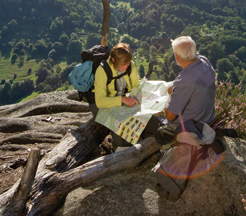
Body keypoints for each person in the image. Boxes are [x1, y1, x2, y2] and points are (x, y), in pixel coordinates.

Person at [154, 36, 220, 201]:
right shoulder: (205, 62)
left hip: (192, 124)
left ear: (176, 57)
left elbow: (170, 115)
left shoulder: (185, 81)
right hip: (208, 116)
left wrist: (171, 94)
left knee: (154, 127)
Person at [90, 43, 149, 151]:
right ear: (113, 60)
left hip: (120, 98)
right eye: (124, 65)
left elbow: (136, 83)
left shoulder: (129, 64)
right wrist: (122, 99)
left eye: (128, 63)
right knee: (121, 133)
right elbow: (100, 101)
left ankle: (136, 142)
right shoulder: (102, 71)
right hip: (103, 103)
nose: (127, 66)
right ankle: (119, 146)